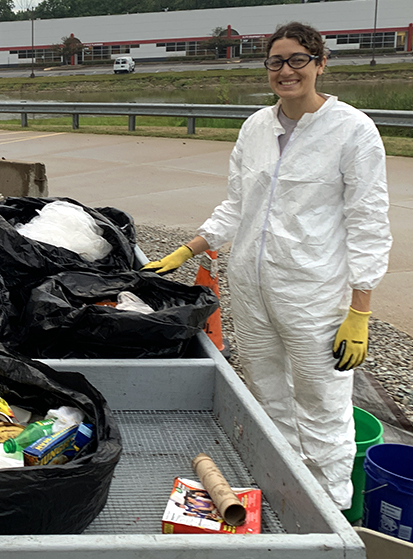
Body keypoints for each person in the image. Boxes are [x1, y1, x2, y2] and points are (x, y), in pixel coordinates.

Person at [143, 22, 391, 510]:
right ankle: (281, 495)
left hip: (313, 294)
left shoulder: (352, 132)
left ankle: (330, 511)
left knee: (321, 405)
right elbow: (237, 205)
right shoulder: (257, 127)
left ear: (320, 63)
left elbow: (368, 223)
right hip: (253, 292)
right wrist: (187, 249)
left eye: (298, 59)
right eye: (276, 61)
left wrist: (359, 308)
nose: (286, 71)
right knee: (266, 394)